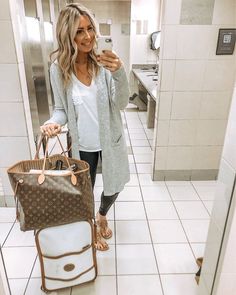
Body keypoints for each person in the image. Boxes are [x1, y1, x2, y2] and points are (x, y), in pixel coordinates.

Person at [40, 3, 130, 251]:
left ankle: (103, 214)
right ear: (67, 34)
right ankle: (91, 226)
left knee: (114, 187)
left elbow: (121, 103)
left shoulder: (103, 64)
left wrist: (121, 72)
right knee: (84, 193)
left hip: (110, 141)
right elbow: (61, 110)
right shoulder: (58, 69)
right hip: (83, 146)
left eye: (90, 28)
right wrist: (51, 124)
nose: (88, 36)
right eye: (79, 31)